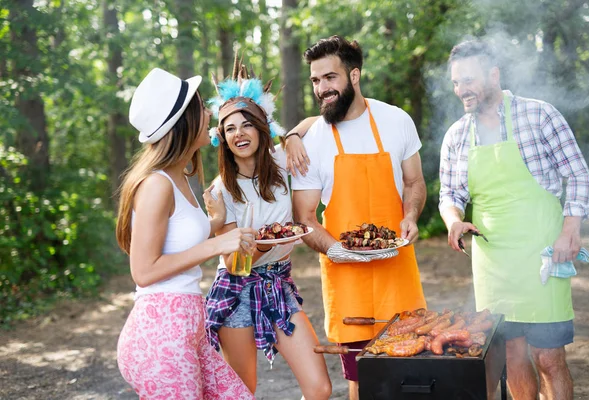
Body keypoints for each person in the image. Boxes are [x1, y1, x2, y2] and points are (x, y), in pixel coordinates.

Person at [439, 40, 589, 400]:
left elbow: (579, 175)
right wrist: (453, 221)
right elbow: (450, 195)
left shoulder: (539, 115)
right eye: (456, 82)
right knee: (510, 355)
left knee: (548, 358)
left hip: (543, 254)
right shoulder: (457, 136)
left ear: (494, 75)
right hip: (494, 263)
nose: (462, 89)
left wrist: (570, 230)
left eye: (469, 79)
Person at [290, 35, 428, 400]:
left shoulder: (396, 120)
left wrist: (411, 215)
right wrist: (338, 251)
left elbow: (414, 182)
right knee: (361, 382)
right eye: (316, 81)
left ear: (354, 75)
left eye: (330, 78)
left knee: (409, 375)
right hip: (346, 280)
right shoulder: (313, 140)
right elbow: (304, 217)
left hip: (398, 272)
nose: (322, 89)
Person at [115, 68, 255, 399]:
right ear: (184, 122)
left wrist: (214, 224)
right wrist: (217, 244)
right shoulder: (155, 184)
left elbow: (176, 243)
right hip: (159, 335)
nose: (208, 112)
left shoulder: (179, 180)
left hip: (188, 327)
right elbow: (144, 271)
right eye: (199, 107)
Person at [203, 62, 332, 399]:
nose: (239, 134)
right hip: (236, 289)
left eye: (247, 125)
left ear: (262, 128)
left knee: (319, 387)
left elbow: (318, 122)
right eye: (230, 129)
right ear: (223, 139)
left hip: (279, 283)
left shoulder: (283, 162)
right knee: (243, 391)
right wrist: (260, 244)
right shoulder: (220, 191)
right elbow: (233, 263)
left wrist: (290, 136)